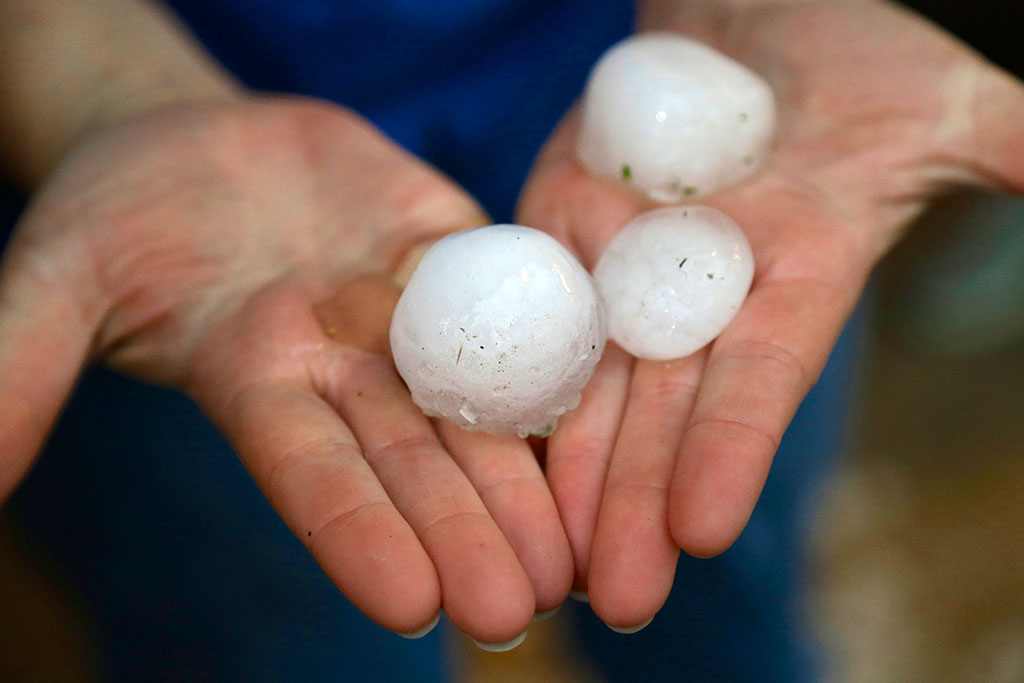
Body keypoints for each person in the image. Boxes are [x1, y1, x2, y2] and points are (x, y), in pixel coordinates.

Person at [1, 0, 1022, 679]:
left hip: (614, 57)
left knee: (722, 537)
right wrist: (86, 74)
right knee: (288, 622)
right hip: (218, 202)